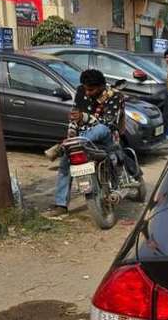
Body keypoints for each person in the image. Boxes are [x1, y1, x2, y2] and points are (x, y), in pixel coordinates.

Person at [44, 69, 124, 217]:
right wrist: (71, 133)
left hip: (106, 136)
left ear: (101, 86)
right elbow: (74, 118)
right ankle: (61, 205)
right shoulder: (81, 91)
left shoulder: (114, 95)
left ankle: (65, 146)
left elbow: (109, 122)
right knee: (65, 165)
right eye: (86, 89)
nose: (87, 93)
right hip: (82, 138)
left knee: (101, 128)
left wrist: (84, 117)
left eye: (91, 90)